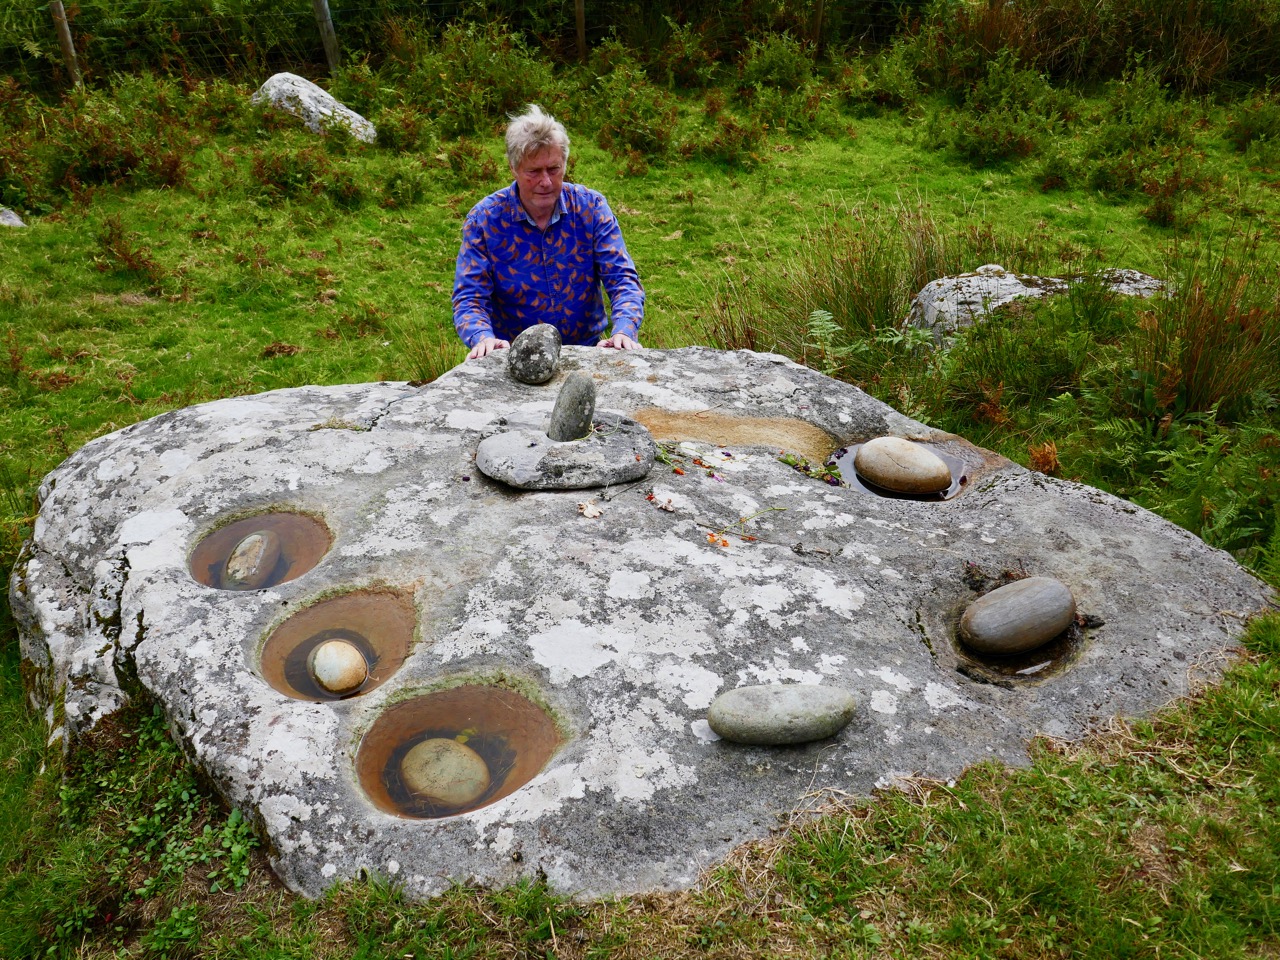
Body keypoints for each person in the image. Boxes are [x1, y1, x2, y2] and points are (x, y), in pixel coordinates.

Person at [452, 105, 645, 360]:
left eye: (554, 169)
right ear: (513, 168)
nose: (545, 182)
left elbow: (622, 279)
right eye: (533, 172)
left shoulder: (591, 208)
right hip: (512, 356)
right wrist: (482, 338)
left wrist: (624, 331)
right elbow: (469, 298)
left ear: (564, 163)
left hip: (588, 351)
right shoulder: (484, 221)